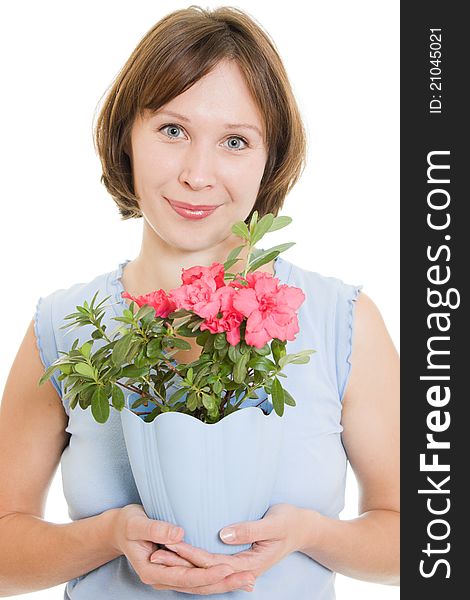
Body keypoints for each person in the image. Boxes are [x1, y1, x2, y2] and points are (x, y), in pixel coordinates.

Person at [0, 5, 399, 598]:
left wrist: (308, 534)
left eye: (235, 141)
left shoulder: (338, 319)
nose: (198, 174)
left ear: (269, 161)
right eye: (172, 130)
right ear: (126, 137)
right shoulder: (60, 328)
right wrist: (110, 536)